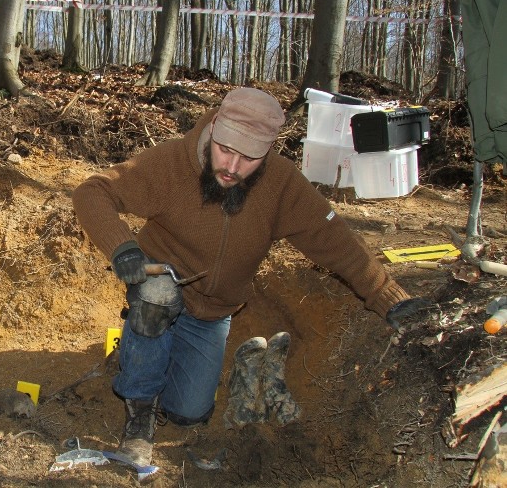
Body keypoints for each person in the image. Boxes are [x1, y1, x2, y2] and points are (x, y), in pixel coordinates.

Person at [71, 87, 428, 466]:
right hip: (162, 286)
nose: (232, 167)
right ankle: (138, 418)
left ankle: (147, 352)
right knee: (156, 297)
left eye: (249, 158)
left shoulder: (281, 185)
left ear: (268, 152)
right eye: (225, 150)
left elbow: (336, 241)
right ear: (214, 131)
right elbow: (92, 191)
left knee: (188, 414)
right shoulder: (172, 163)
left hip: (213, 315)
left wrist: (390, 296)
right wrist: (123, 247)